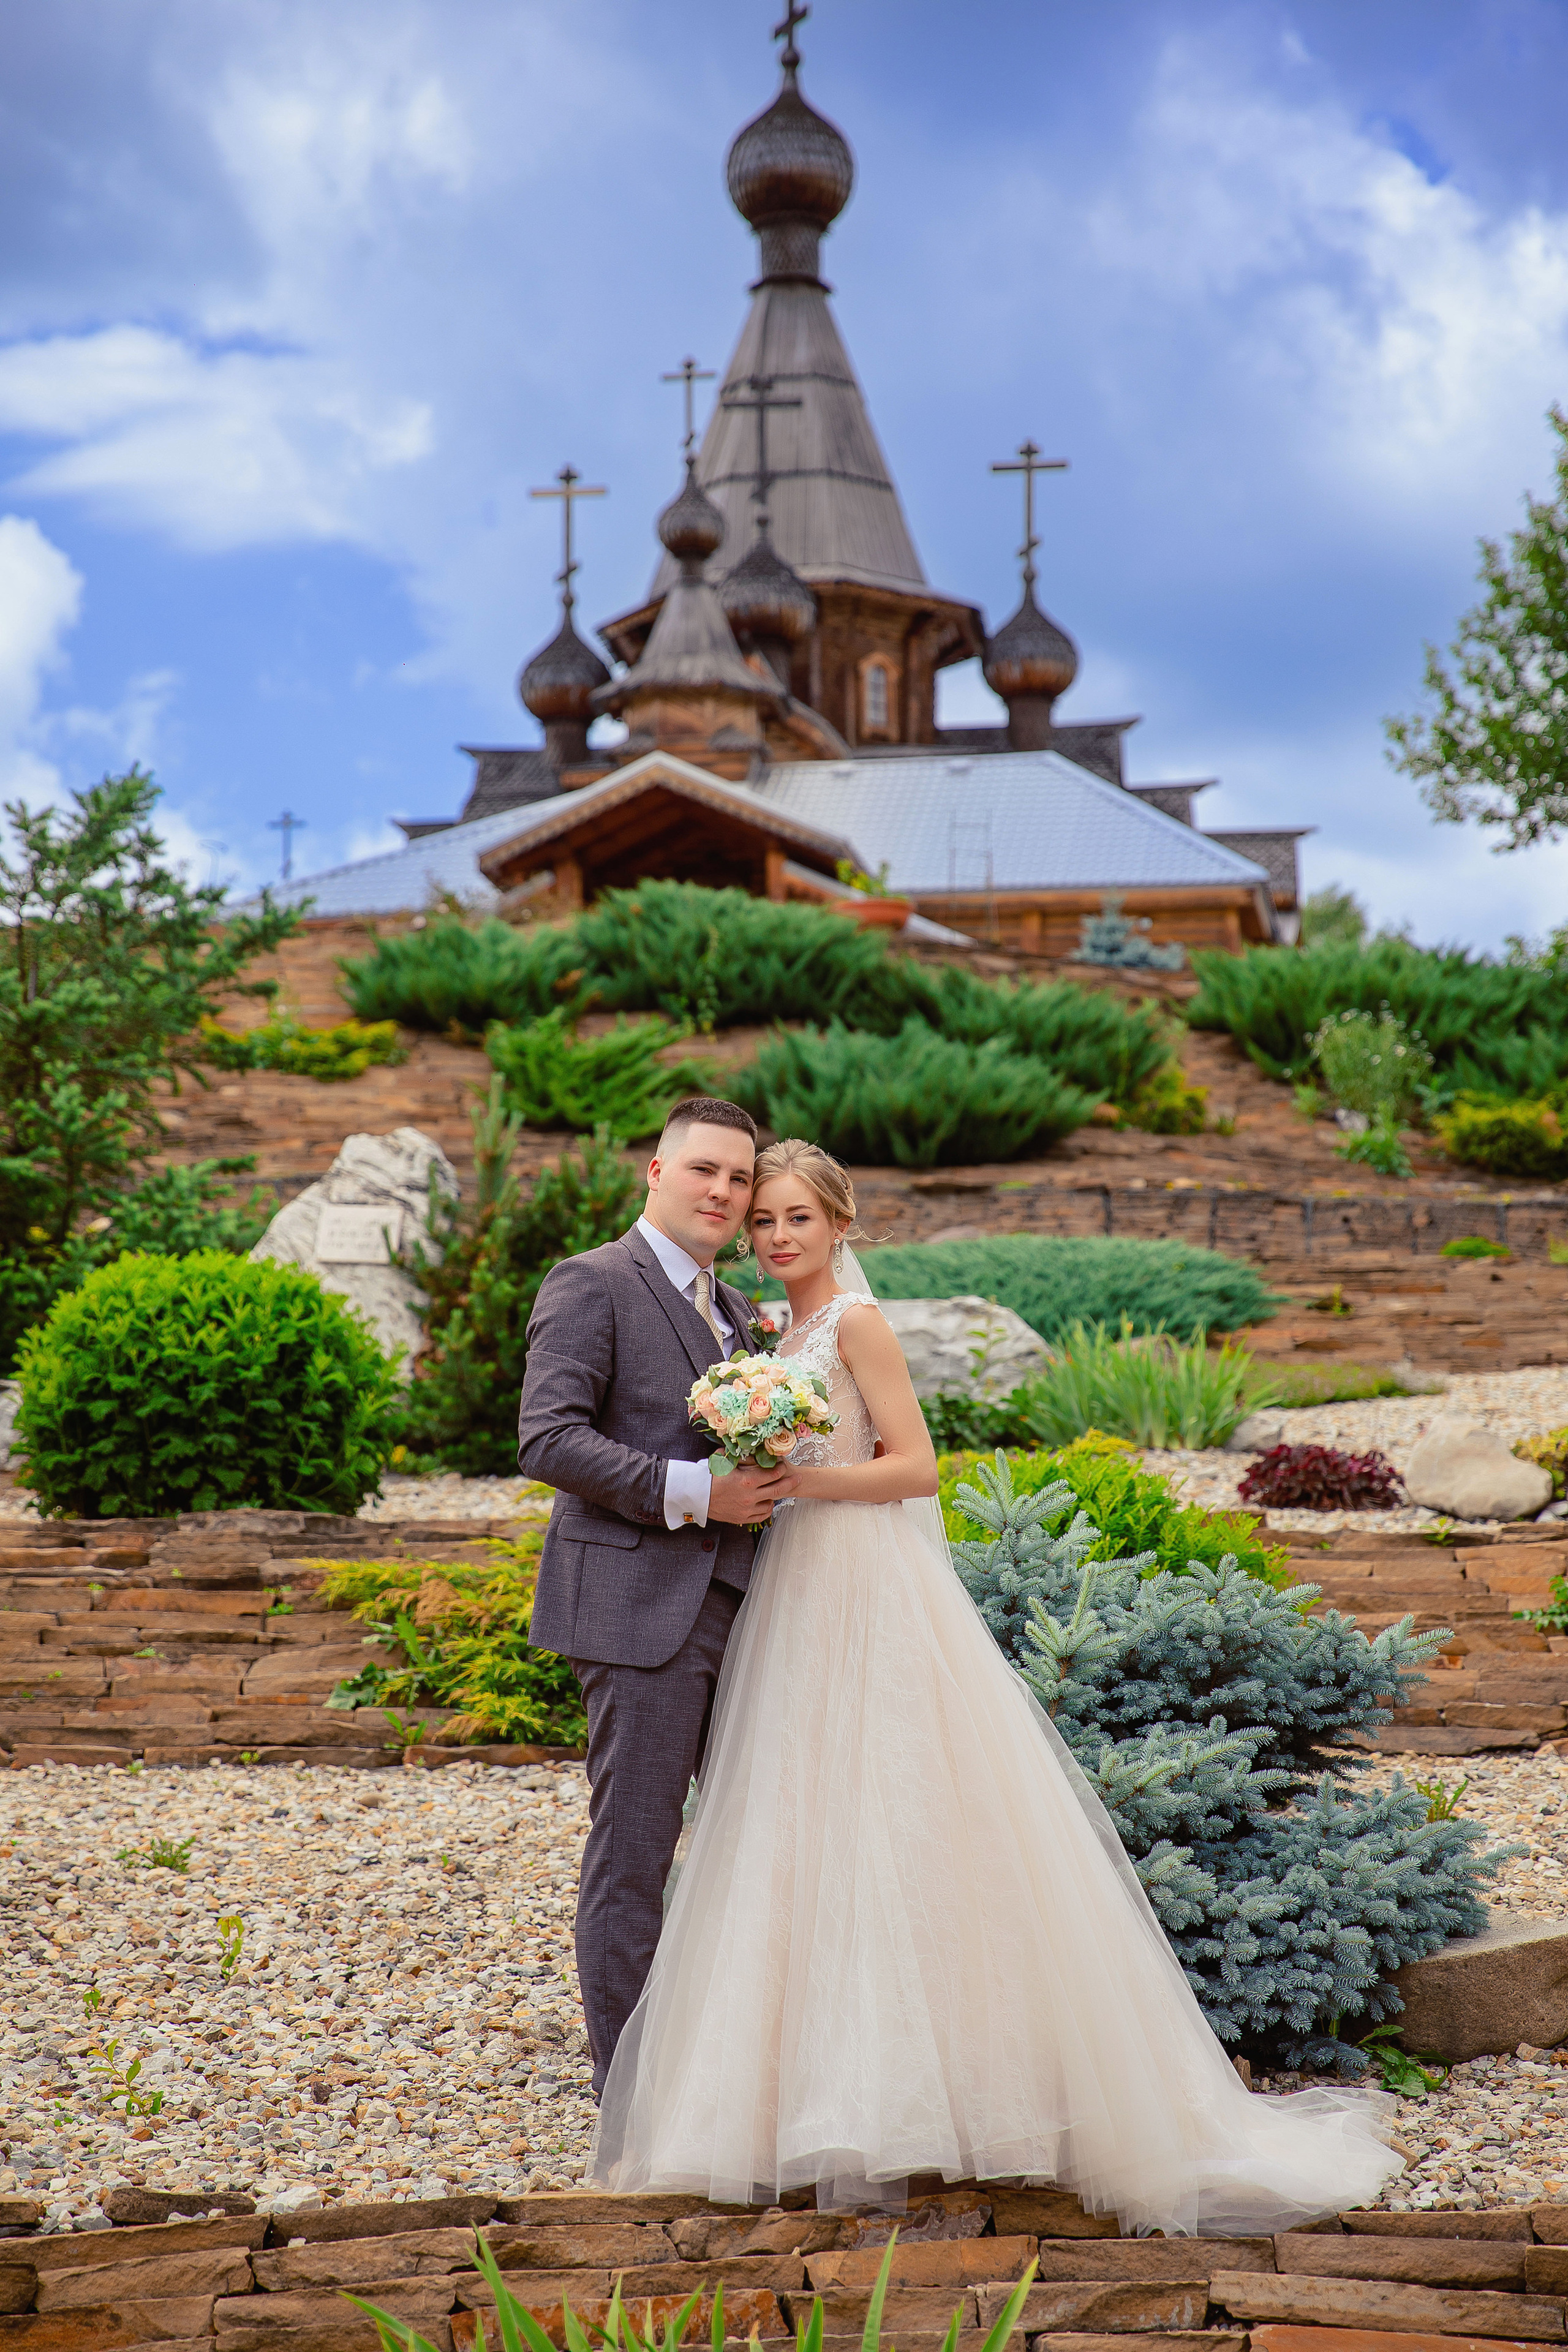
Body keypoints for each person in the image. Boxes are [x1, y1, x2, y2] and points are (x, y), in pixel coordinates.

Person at [587, 1136, 1404, 2234]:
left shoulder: (858, 1325)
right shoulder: (764, 1331)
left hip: (861, 1584)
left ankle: (941, 2096)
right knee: (798, 1826)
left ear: (841, 1224)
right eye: (763, 1220)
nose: (775, 1236)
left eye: (797, 1219)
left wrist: (798, 1478)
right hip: (788, 1591)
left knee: (898, 1819)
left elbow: (918, 1467)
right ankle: (786, 2095)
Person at [516, 1096, 790, 2098]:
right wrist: (695, 1494)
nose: (724, 1191)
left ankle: (724, 2080)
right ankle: (630, 2103)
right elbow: (546, 1437)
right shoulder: (595, 1283)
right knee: (635, 1852)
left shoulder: (742, 1313)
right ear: (656, 1173)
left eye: (741, 1177)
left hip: (749, 1605)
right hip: (640, 1612)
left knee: (750, 1845)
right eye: (705, 1170)